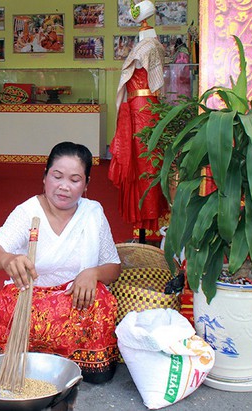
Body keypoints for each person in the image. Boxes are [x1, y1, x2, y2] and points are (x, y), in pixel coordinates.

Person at [0, 142, 121, 383]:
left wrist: (92, 273)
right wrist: (8, 258)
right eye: (57, 176)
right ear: (45, 177)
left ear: (86, 184)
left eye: (75, 180)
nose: (64, 186)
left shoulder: (93, 213)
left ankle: (81, 359)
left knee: (100, 300)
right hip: (33, 300)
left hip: (76, 300)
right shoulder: (28, 212)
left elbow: (114, 267)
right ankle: (43, 358)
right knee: (10, 302)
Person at [108, 0, 169, 241]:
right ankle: (144, 223)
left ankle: (147, 221)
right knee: (144, 161)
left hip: (141, 109)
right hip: (141, 108)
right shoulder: (153, 45)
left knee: (144, 163)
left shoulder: (146, 47)